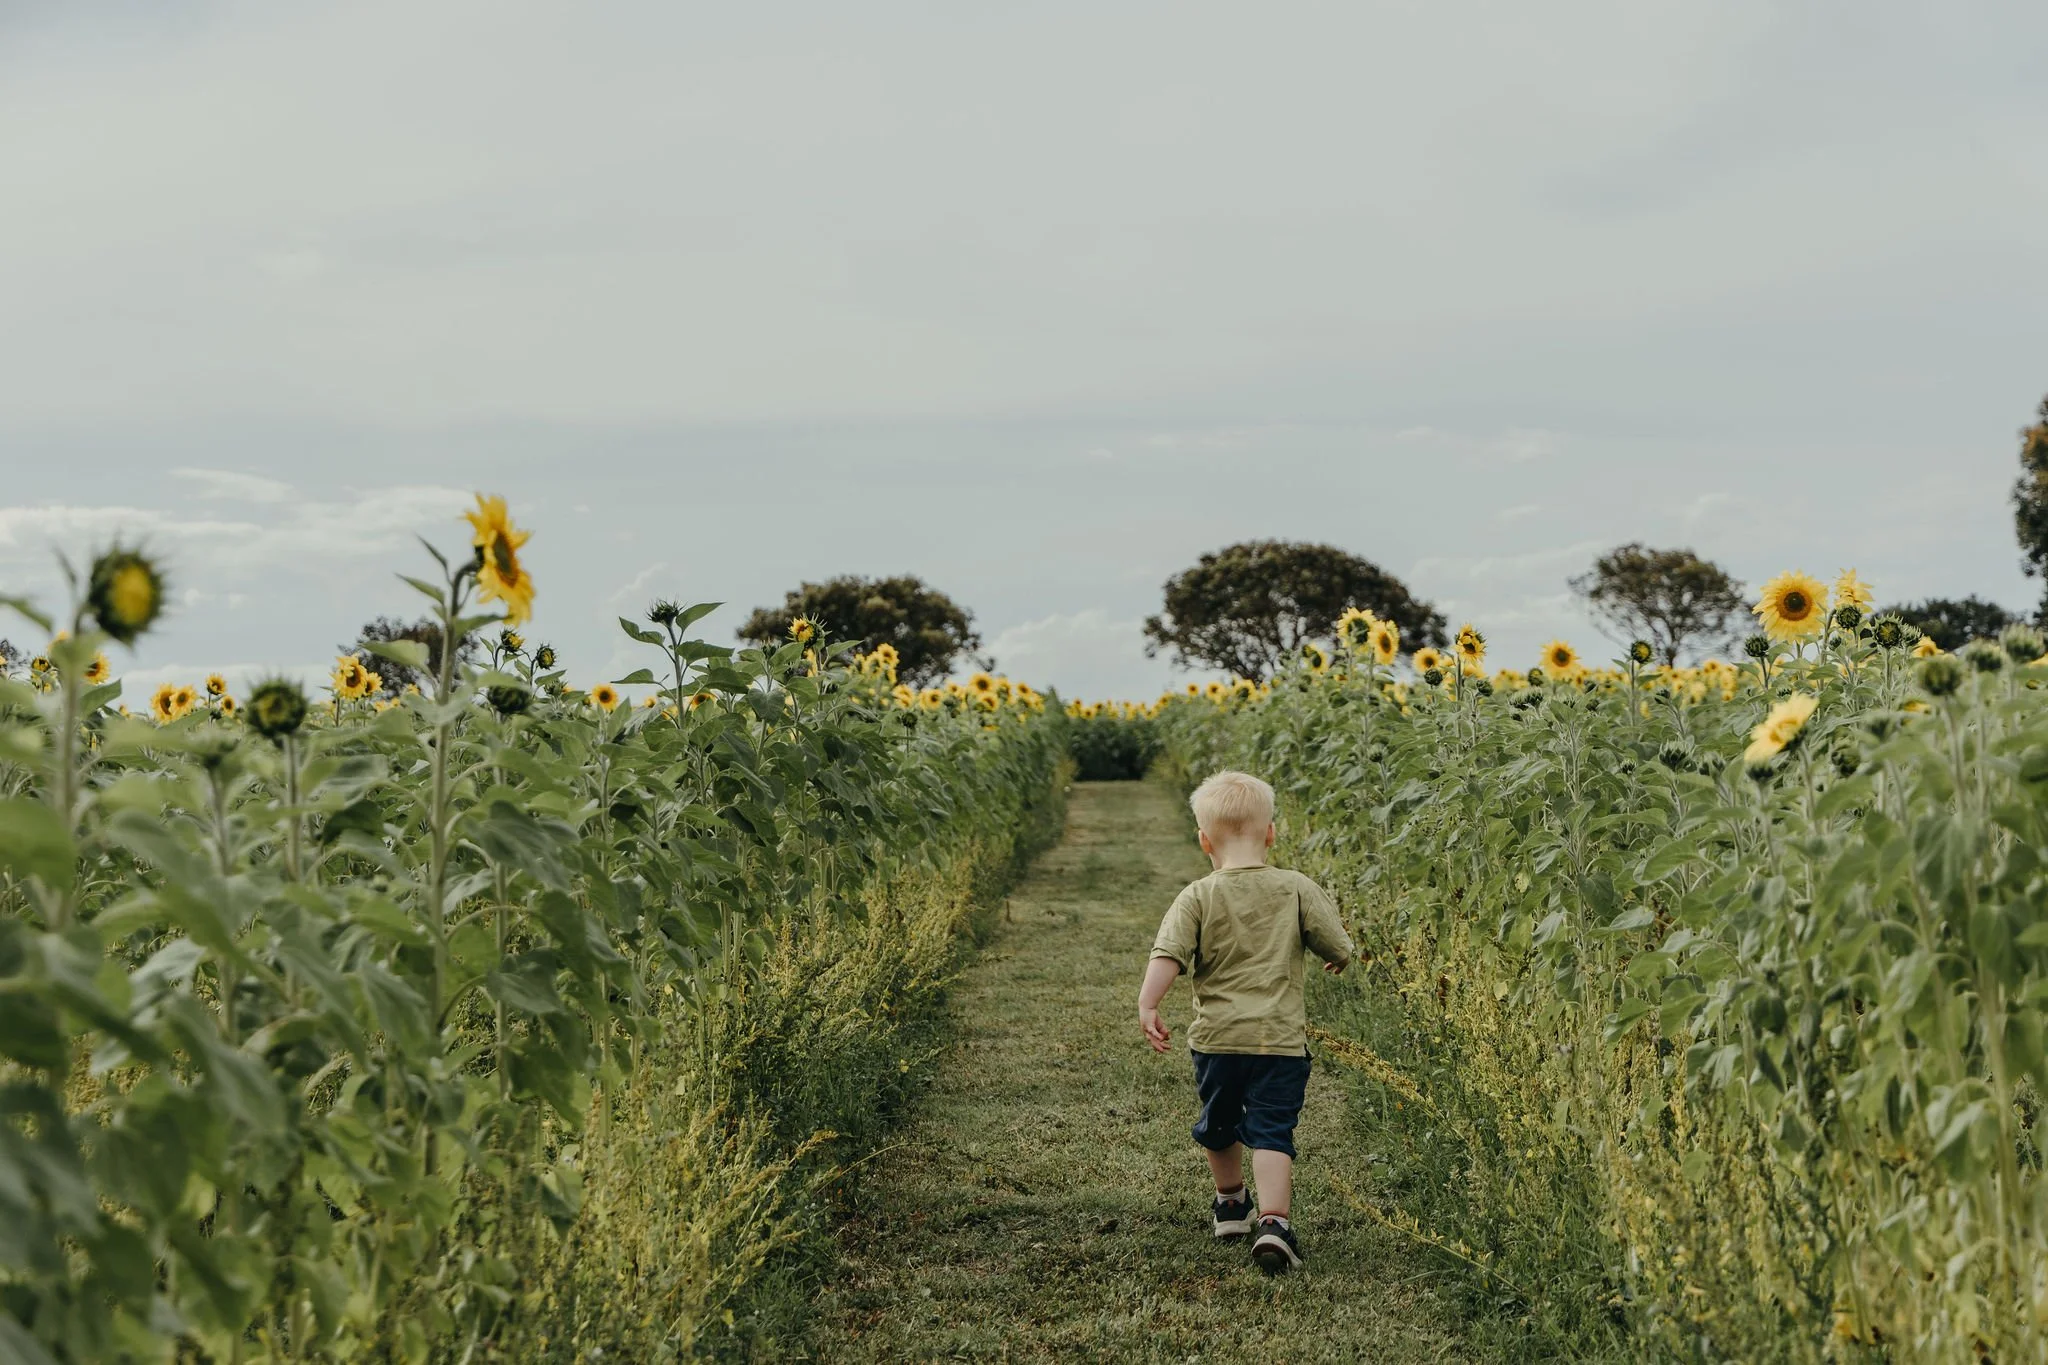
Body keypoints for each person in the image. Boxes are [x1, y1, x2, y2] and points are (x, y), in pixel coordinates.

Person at [1137, 768, 1354, 1273]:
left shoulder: (1196, 896)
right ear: (1271, 833)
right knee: (1272, 1130)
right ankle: (1275, 1224)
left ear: (1203, 840)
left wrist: (1149, 1005)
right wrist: (1340, 955)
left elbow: (1167, 955)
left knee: (1219, 1123)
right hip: (1278, 1041)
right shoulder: (1296, 887)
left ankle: (1231, 1203)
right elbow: (1337, 942)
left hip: (1215, 1041)